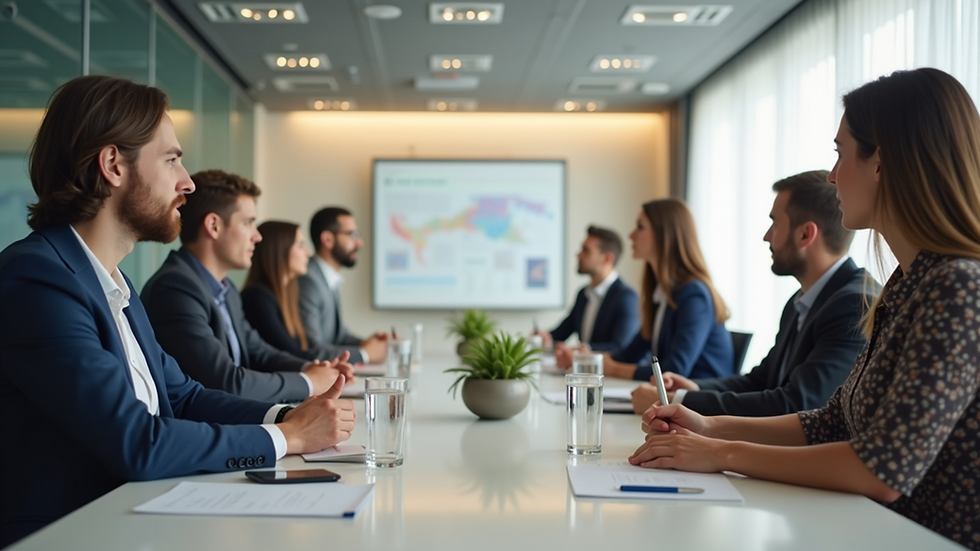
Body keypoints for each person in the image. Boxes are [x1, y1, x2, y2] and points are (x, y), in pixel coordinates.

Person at [629, 68, 980, 550]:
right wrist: (707, 425)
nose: (833, 175)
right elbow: (831, 421)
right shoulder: (906, 284)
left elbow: (881, 470)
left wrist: (718, 451)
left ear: (883, 161)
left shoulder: (958, 287)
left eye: (840, 153)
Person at [0, 75, 356, 547]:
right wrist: (290, 438)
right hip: (69, 533)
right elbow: (138, 443)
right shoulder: (39, 281)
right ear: (113, 166)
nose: (187, 183)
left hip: (133, 517)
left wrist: (288, 414)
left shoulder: (114, 283)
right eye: (171, 160)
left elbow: (184, 397)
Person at [631, 171, 874, 416]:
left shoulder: (853, 305)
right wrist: (692, 389)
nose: (766, 236)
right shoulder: (800, 302)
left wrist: (681, 400)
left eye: (775, 223)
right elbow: (760, 381)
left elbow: (799, 404)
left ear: (805, 235)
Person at [141, 170, 350, 403]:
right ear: (214, 226)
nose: (257, 236)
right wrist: (309, 381)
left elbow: (258, 352)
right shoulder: (175, 289)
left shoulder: (226, 290)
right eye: (248, 223)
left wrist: (315, 368)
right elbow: (226, 382)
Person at [603, 198, 733, 381]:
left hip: (699, 405)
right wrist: (587, 360)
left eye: (640, 226)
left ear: (665, 234)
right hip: (673, 401)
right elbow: (629, 354)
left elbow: (675, 370)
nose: (631, 235)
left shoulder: (694, 295)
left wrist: (614, 369)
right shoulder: (662, 294)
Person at [534, 226, 639, 369]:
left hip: (609, 379)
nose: (578, 255)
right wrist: (547, 337)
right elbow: (564, 329)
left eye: (586, 250)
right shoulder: (583, 294)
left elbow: (621, 346)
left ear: (607, 258)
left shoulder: (626, 297)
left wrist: (581, 350)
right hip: (584, 376)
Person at [299, 206, 390, 364]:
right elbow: (313, 348)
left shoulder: (326, 277)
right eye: (352, 235)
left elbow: (338, 337)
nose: (359, 242)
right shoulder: (308, 281)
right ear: (328, 239)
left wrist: (366, 344)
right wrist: (365, 353)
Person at [242, 221, 341, 361]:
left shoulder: (287, 294)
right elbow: (292, 354)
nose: (309, 252)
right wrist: (362, 355)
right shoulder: (257, 298)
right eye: (301, 246)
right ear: (279, 251)